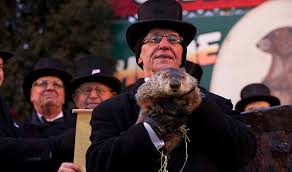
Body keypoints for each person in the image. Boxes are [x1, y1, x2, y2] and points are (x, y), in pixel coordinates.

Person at [86, 0, 257, 172]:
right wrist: (152, 129)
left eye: (174, 39)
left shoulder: (216, 104)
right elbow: (97, 164)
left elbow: (244, 151)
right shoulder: (111, 110)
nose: (164, 45)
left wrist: (198, 105)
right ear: (139, 56)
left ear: (181, 55)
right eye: (154, 38)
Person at [57, 56, 121, 172]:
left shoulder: (126, 131)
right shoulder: (59, 132)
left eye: (99, 90)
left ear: (114, 97)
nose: (92, 96)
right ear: (75, 98)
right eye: (87, 90)